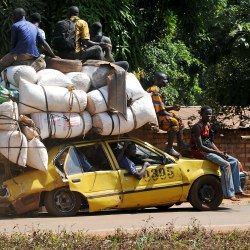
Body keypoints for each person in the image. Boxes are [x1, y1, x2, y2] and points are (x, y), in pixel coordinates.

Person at [190, 105, 250, 201]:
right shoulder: (197, 127)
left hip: (209, 150)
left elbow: (210, 142)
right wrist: (217, 153)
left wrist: (219, 152)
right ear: (201, 114)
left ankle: (238, 190)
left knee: (234, 162)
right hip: (200, 152)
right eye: (206, 114)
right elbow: (200, 146)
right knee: (226, 165)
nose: (209, 116)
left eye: (210, 114)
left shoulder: (208, 125)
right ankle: (229, 194)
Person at [0, 8, 57, 72]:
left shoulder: (15, 26)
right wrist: (53, 55)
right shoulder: (34, 27)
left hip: (21, 54)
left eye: (13, 16)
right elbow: (44, 42)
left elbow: (13, 44)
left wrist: (11, 57)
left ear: (16, 16)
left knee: (1, 63)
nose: (12, 18)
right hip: (34, 55)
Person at [147, 71, 188, 158]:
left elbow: (162, 108)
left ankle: (181, 143)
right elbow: (160, 112)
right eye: (165, 79)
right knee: (173, 122)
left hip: (158, 114)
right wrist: (173, 116)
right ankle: (169, 148)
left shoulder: (155, 89)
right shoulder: (155, 90)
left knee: (178, 118)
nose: (167, 81)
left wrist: (173, 108)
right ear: (158, 80)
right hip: (154, 117)